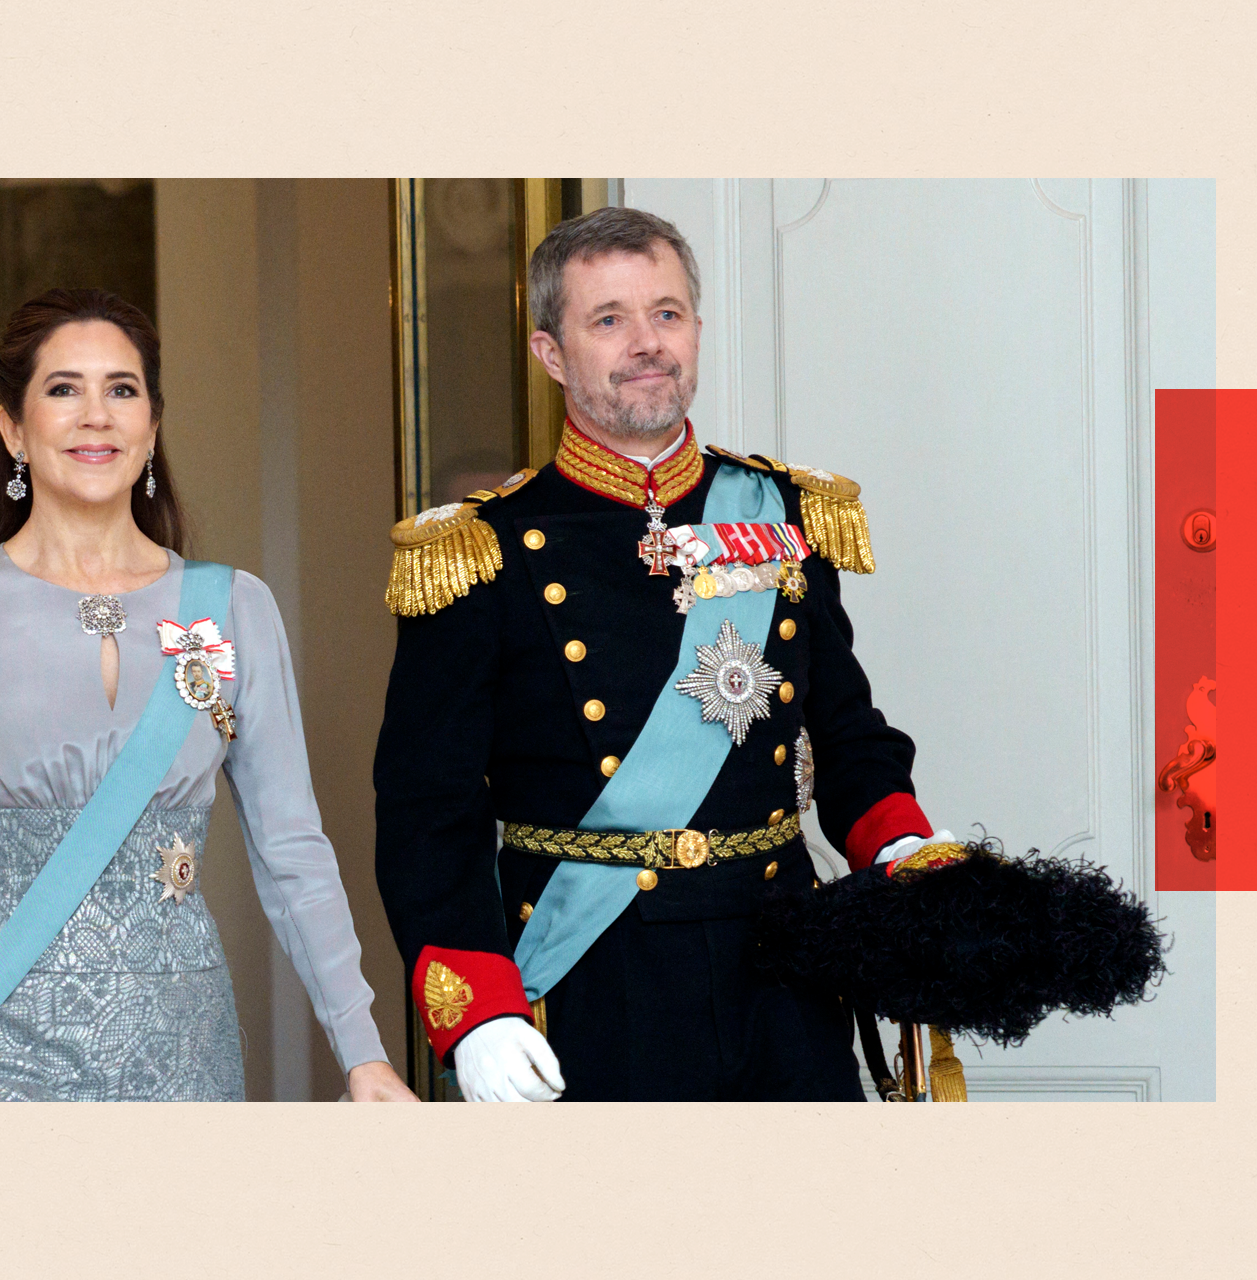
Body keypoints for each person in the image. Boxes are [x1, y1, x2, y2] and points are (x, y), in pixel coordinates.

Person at [373, 206, 959, 1102]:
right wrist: (478, 1008)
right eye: (608, 320)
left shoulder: (784, 516)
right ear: (551, 353)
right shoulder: (485, 551)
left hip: (785, 977)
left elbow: (847, 735)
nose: (646, 343)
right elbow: (427, 812)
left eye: (667, 313)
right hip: (594, 981)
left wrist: (903, 845)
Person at [0, 288, 414, 1101]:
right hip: (3, 1056)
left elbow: (293, 852)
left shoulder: (234, 605)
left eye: (122, 389)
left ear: (152, 425)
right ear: (13, 428)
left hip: (183, 1051)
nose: (95, 415)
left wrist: (363, 1052)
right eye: (63, 389)